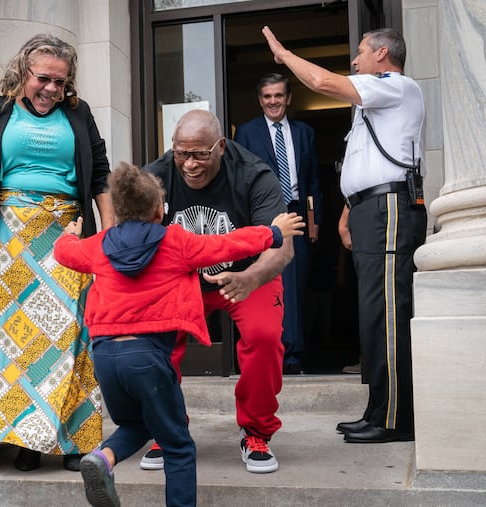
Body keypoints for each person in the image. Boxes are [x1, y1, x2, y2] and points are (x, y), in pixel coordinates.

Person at [54, 162, 304, 507]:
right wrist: (273, 232)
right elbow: (227, 245)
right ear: (159, 211)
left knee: (139, 426)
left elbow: (64, 253)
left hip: (106, 358)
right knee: (179, 448)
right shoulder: (176, 242)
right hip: (147, 359)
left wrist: (68, 233)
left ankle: (104, 458)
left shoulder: (99, 245)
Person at [0, 33, 115, 472]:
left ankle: (74, 438)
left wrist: (110, 237)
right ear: (23, 72)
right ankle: (26, 439)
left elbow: (100, 175)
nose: (51, 90)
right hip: (9, 235)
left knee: (72, 336)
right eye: (43, 79)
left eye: (60, 83)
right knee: (16, 342)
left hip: (68, 233)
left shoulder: (78, 115)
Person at [263, 26, 427, 443]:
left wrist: (284, 54)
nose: (354, 61)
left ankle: (395, 419)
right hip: (370, 209)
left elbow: (320, 81)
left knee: (388, 312)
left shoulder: (397, 86)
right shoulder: (374, 101)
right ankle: (378, 409)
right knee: (373, 313)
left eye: (360, 53)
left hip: (390, 208)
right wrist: (347, 213)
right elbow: (366, 163)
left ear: (383, 53)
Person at [140, 109, 295, 474]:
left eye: (200, 154)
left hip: (247, 273)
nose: (189, 164)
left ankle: (255, 432)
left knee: (264, 335)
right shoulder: (156, 176)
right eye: (181, 153)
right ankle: (168, 426)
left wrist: (251, 279)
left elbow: (282, 246)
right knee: (151, 342)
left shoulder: (254, 174)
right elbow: (134, 237)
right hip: (182, 276)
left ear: (221, 147)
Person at [234, 73, 322, 375]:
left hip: (296, 214)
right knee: (266, 285)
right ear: (260, 100)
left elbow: (312, 180)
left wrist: (315, 221)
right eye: (267, 96)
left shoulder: (304, 133)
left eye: (279, 96)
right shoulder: (245, 133)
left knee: (295, 286)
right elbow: (239, 179)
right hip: (263, 217)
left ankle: (293, 355)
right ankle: (268, 352)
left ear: (288, 98)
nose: (273, 101)